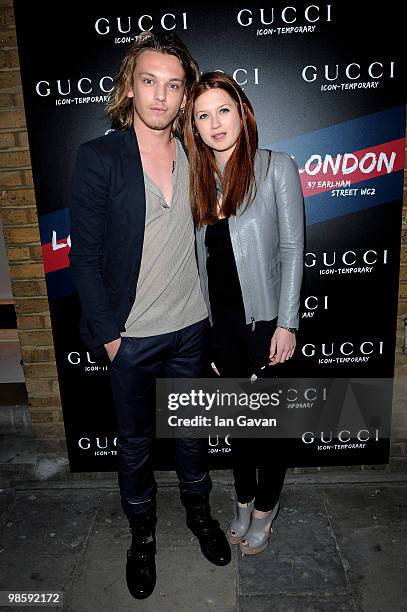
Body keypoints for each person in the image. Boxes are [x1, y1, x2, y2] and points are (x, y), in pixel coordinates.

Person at [69, 35, 231, 601]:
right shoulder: (99, 157)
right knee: (135, 443)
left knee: (192, 435)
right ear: (130, 84)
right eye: (149, 81)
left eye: (173, 84)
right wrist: (111, 338)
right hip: (131, 338)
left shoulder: (197, 151)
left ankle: (200, 515)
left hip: (190, 328)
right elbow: (83, 259)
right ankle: (142, 536)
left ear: (185, 93)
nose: (160, 95)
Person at [184, 72, 304, 555]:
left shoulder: (276, 167)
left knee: (270, 431)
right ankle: (241, 499)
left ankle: (264, 510)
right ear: (193, 126)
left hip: (267, 323)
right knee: (237, 427)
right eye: (203, 115)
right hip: (222, 330)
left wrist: (288, 323)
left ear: (242, 109)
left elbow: (294, 248)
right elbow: (201, 264)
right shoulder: (196, 178)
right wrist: (208, 334)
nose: (215, 123)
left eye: (223, 110)